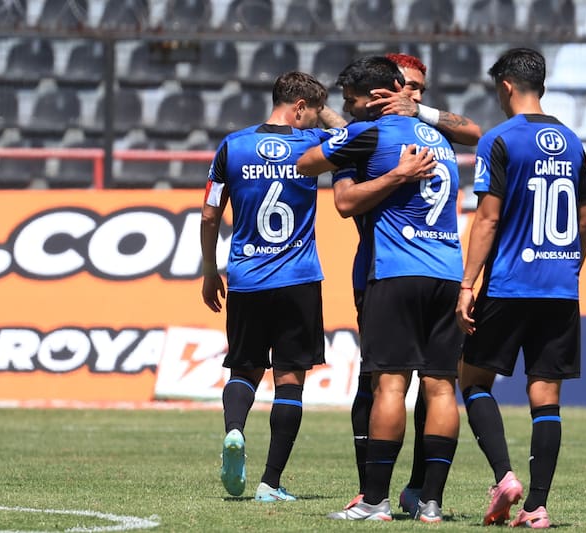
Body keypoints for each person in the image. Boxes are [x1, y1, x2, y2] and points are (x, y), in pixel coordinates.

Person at [297, 56, 465, 523]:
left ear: (374, 99)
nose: (349, 112)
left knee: (389, 384)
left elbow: (312, 168)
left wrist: (383, 171)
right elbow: (474, 133)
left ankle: (374, 500)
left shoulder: (367, 133)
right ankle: (430, 502)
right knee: (442, 389)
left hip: (397, 272)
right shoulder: (440, 141)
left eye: (352, 104)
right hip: (448, 272)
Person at [336, 52, 482, 518]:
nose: (412, 94)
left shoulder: (416, 128)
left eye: (419, 88)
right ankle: (396, 493)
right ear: (389, 88)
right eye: (407, 87)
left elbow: (325, 167)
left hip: (394, 271)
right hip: (423, 270)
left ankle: (399, 493)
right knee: (396, 384)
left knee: (391, 384)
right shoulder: (385, 130)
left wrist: (412, 112)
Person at [455, 47, 586, 528]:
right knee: (545, 395)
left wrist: (468, 284)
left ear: (507, 87)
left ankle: (503, 477)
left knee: (471, 380)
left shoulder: (499, 139)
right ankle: (536, 507)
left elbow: (488, 219)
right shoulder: (573, 142)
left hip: (511, 283)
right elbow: (585, 218)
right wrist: (571, 267)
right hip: (559, 286)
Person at [200, 71, 334, 503]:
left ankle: (235, 431)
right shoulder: (313, 147)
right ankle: (270, 483)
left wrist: (208, 270)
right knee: (290, 378)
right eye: (312, 112)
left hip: (247, 277)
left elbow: (208, 214)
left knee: (244, 369)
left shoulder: (232, 146)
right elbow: (358, 139)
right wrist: (327, 118)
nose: (316, 121)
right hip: (297, 279)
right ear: (299, 108)